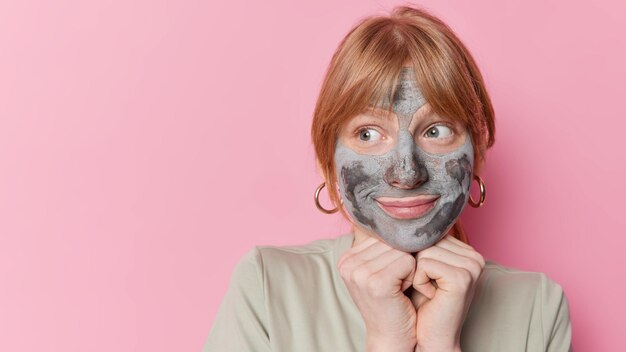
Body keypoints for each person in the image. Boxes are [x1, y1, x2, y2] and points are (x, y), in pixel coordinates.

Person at [204, 5, 571, 352]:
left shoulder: (537, 307)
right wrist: (386, 341)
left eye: (437, 130)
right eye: (368, 134)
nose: (407, 173)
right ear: (327, 162)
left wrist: (442, 345)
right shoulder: (267, 287)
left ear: (477, 156)